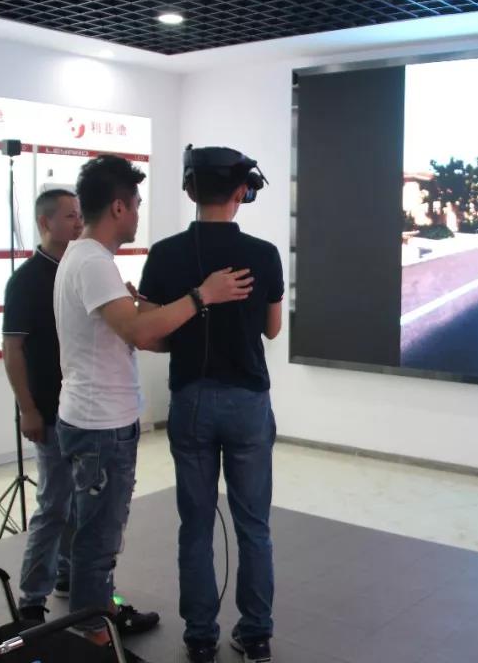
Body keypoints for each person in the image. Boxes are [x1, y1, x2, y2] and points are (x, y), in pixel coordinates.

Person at [54, 154, 253, 645]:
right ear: (119, 207)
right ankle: (93, 636)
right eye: (137, 205)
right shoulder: (94, 263)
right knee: (99, 540)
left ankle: (101, 613)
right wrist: (202, 296)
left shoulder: (84, 259)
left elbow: (142, 331)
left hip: (92, 417)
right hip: (100, 425)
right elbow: (141, 334)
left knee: (96, 532)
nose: (139, 214)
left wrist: (151, 309)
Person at [138, 146, 283, 663]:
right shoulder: (264, 254)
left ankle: (200, 638)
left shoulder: (164, 254)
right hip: (248, 400)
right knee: (254, 526)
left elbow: (150, 334)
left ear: (189, 189)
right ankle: (256, 634)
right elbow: (272, 329)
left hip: (191, 398)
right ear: (243, 190)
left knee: (195, 526)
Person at [2, 189, 82, 622]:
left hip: (81, 410)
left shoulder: (77, 269)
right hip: (49, 411)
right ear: (45, 222)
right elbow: (12, 349)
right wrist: (27, 408)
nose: (78, 223)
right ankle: (32, 599)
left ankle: (69, 575)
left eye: (80, 215)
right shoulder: (27, 280)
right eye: (70, 216)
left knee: (76, 503)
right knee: (53, 504)